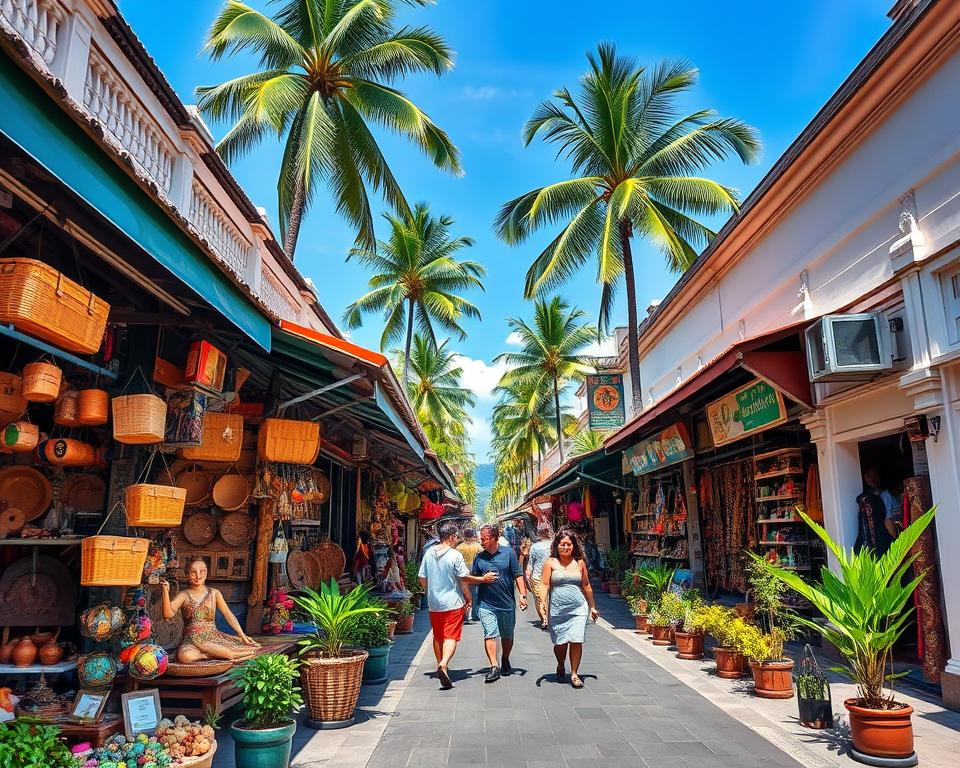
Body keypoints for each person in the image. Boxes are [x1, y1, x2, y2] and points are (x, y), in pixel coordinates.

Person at [419, 521, 495, 689]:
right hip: (452, 602)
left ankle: (440, 664)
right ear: (452, 536)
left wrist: (429, 592)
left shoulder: (428, 553)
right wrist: (481, 581)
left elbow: (422, 578)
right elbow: (464, 578)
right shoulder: (454, 555)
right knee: (451, 636)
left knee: (438, 636)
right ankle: (444, 664)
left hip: (434, 603)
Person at [161, 557, 260, 663]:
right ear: (187, 575)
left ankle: (230, 654)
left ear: (206, 572)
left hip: (212, 637)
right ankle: (210, 655)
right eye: (193, 572)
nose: (198, 576)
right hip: (190, 639)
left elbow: (228, 614)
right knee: (185, 656)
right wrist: (165, 591)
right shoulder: (184, 595)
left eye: (202, 571)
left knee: (232, 652)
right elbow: (168, 615)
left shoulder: (214, 593)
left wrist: (241, 634)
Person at [541, 528, 599, 689]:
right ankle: (561, 664)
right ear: (556, 545)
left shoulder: (579, 563)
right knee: (560, 643)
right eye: (562, 544)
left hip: (578, 608)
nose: (565, 547)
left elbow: (586, 585)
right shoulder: (550, 563)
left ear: (574, 546)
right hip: (558, 609)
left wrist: (592, 607)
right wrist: (542, 604)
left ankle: (574, 673)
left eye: (568, 544)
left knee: (576, 639)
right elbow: (544, 584)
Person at [471, 523, 527, 683]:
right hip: (486, 603)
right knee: (490, 633)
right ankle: (494, 666)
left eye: (485, 539)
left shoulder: (508, 553)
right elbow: (473, 577)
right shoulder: (479, 557)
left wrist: (523, 594)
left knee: (507, 635)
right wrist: (482, 579)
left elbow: (517, 574)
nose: (481, 542)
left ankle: (505, 658)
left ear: (495, 538)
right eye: (480, 539)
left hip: (506, 603)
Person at [855, 467, 898, 555]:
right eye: (869, 475)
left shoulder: (881, 495)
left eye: (875, 475)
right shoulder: (880, 496)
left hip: (877, 545)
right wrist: (895, 540)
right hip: (883, 543)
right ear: (864, 477)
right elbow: (888, 520)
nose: (873, 478)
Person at [525, 523, 553, 629]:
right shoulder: (554, 545)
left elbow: (530, 563)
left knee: (540, 599)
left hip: (537, 576)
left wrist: (527, 575)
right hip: (551, 575)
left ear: (539, 534)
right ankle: (548, 619)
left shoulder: (535, 547)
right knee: (550, 598)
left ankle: (544, 619)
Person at [456, 528, 483, 623]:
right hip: (475, 574)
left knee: (464, 594)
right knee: (475, 594)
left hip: (463, 574)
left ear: (464, 536)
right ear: (472, 536)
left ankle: (465, 615)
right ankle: (475, 614)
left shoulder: (459, 548)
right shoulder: (478, 547)